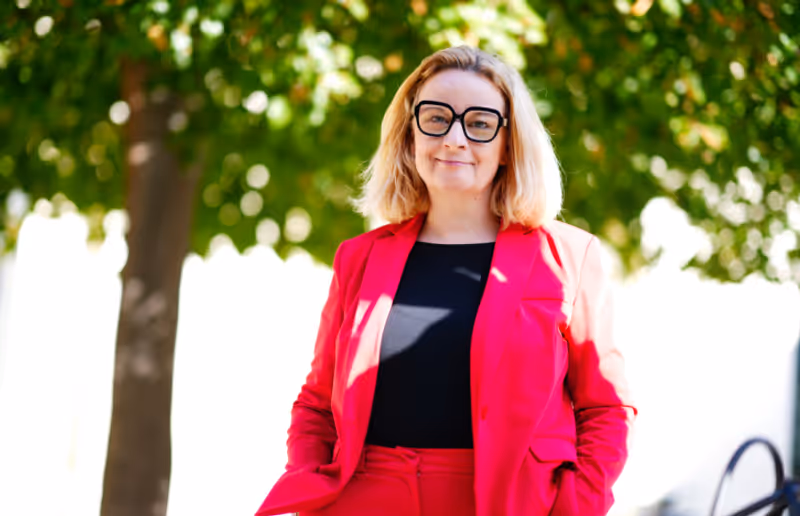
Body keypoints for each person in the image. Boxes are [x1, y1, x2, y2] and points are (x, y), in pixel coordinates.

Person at [255, 46, 636, 516]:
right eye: (436, 118)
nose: (454, 139)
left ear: (508, 144)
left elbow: (606, 409)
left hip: (503, 504)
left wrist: (575, 508)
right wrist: (310, 484)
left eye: (479, 123)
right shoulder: (360, 258)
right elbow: (316, 404)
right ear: (410, 133)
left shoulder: (569, 257)